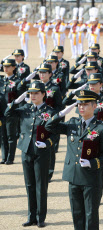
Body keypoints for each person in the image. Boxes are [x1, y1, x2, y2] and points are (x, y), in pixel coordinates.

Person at [45, 90, 103, 230]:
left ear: (95, 106)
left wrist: (92, 163)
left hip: (91, 178)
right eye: (79, 104)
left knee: (90, 215)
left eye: (85, 104)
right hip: (74, 175)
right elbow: (49, 126)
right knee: (76, 214)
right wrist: (62, 113)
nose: (81, 107)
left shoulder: (102, 128)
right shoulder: (72, 123)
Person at [5, 82, 58, 228]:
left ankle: (41, 217)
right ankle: (31, 216)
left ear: (43, 94)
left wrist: (47, 143)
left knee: (41, 185)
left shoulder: (50, 111)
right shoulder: (25, 108)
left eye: (36, 93)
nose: (32, 96)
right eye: (30, 93)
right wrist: (16, 101)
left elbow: (55, 135)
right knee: (29, 185)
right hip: (26, 150)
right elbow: (7, 113)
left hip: (41, 152)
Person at [0, 59, 23, 165]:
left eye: (8, 66)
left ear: (14, 67)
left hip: (11, 113)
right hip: (1, 112)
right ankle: (4, 157)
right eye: (4, 66)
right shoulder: (2, 80)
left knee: (11, 136)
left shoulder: (17, 81)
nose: (6, 68)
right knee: (2, 135)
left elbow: (20, 98)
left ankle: (10, 158)